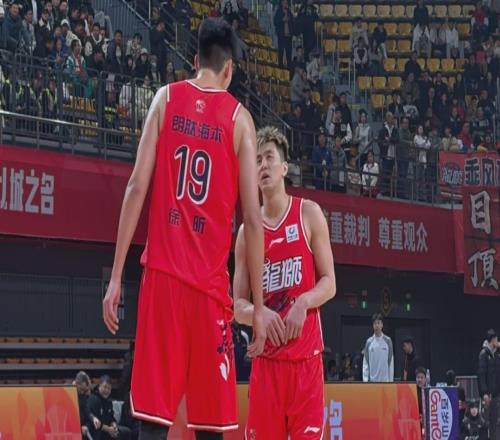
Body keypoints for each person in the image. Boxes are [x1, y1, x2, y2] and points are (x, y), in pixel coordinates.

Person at [102, 18, 266, 440]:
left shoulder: (165, 98)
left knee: (152, 421)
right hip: (209, 293)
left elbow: (136, 187)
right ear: (229, 69)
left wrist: (116, 276)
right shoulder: (240, 120)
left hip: (162, 281)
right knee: (211, 427)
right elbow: (252, 220)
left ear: (195, 61)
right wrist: (260, 306)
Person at [233, 125, 336, 440]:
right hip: (266, 365)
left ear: (284, 168)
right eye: (257, 160)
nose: (263, 165)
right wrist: (258, 313)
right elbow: (237, 306)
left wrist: (304, 301)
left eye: (269, 158)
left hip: (306, 362)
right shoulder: (246, 233)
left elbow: (330, 282)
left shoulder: (309, 214)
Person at [88, 375, 132, 439]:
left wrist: (114, 425)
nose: (106, 390)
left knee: (126, 432)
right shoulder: (94, 399)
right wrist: (109, 430)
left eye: (109, 388)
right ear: (99, 386)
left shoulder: (108, 402)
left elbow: (111, 417)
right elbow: (96, 423)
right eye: (105, 387)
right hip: (96, 430)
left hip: (108, 429)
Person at [478, 329, 500, 440]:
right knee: (485, 422)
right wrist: (484, 393)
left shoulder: (497, 354)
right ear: (493, 340)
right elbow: (481, 374)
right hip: (488, 395)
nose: (498, 341)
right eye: (497, 339)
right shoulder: (484, 354)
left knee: (495, 423)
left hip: (496, 394)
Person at [362, 313, 394, 382]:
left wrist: (390, 382)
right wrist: (365, 381)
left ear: (382, 325)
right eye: (375, 323)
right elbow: (365, 362)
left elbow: (390, 362)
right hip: (372, 382)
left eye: (378, 323)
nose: (377, 325)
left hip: (385, 381)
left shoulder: (388, 341)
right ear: (373, 326)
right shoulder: (369, 342)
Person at [274, 0, 293, 68]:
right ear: (281, 3)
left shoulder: (289, 11)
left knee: (289, 52)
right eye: (284, 2)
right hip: (281, 36)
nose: (286, 4)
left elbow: (292, 22)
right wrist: (282, 20)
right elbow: (275, 22)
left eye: (286, 2)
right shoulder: (278, 12)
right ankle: (280, 66)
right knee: (281, 51)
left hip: (289, 36)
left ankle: (289, 67)